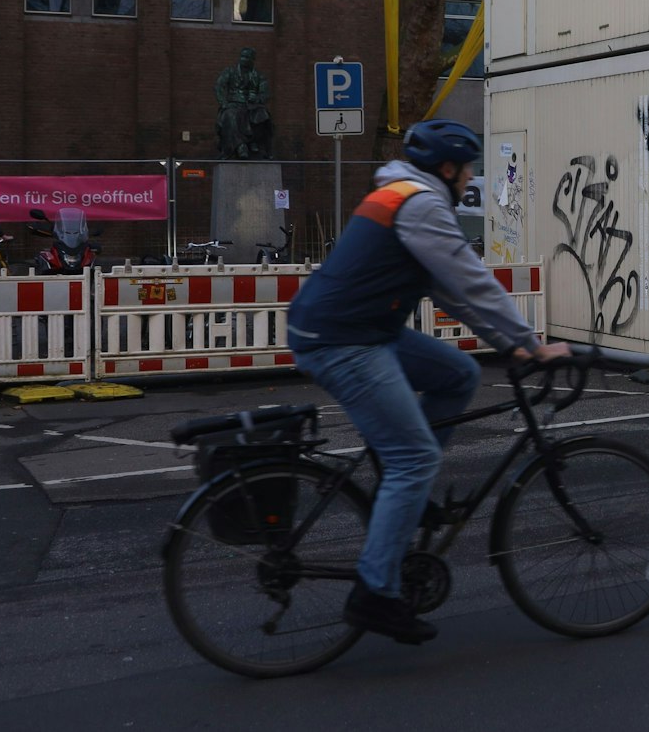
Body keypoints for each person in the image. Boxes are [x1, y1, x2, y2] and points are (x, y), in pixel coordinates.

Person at [286, 118, 568, 645]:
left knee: (458, 373)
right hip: (343, 340)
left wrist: (506, 342)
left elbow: (449, 290)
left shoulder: (400, 192)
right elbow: (469, 278)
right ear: (447, 168)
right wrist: (528, 343)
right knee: (413, 457)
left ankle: (407, 499)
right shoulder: (420, 204)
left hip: (360, 329)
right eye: (467, 171)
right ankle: (375, 593)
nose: (469, 181)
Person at [213, 47, 272, 159]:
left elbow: (265, 93)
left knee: (263, 116)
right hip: (233, 103)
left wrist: (257, 98)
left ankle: (258, 145)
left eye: (246, 57)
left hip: (252, 105)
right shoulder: (230, 71)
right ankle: (241, 146)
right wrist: (223, 102)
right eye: (242, 56)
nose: (243, 59)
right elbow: (218, 86)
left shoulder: (259, 76)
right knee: (230, 115)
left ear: (252, 59)